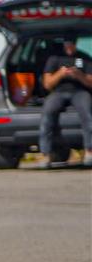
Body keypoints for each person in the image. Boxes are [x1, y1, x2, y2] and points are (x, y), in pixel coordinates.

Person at [39, 36, 92, 166]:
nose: (69, 47)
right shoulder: (54, 58)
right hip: (58, 92)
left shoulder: (84, 58)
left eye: (72, 45)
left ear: (75, 44)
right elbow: (47, 84)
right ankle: (46, 154)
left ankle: (89, 151)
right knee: (47, 114)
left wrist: (79, 75)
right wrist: (60, 74)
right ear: (64, 45)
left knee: (88, 114)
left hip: (79, 91)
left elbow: (90, 83)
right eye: (67, 44)